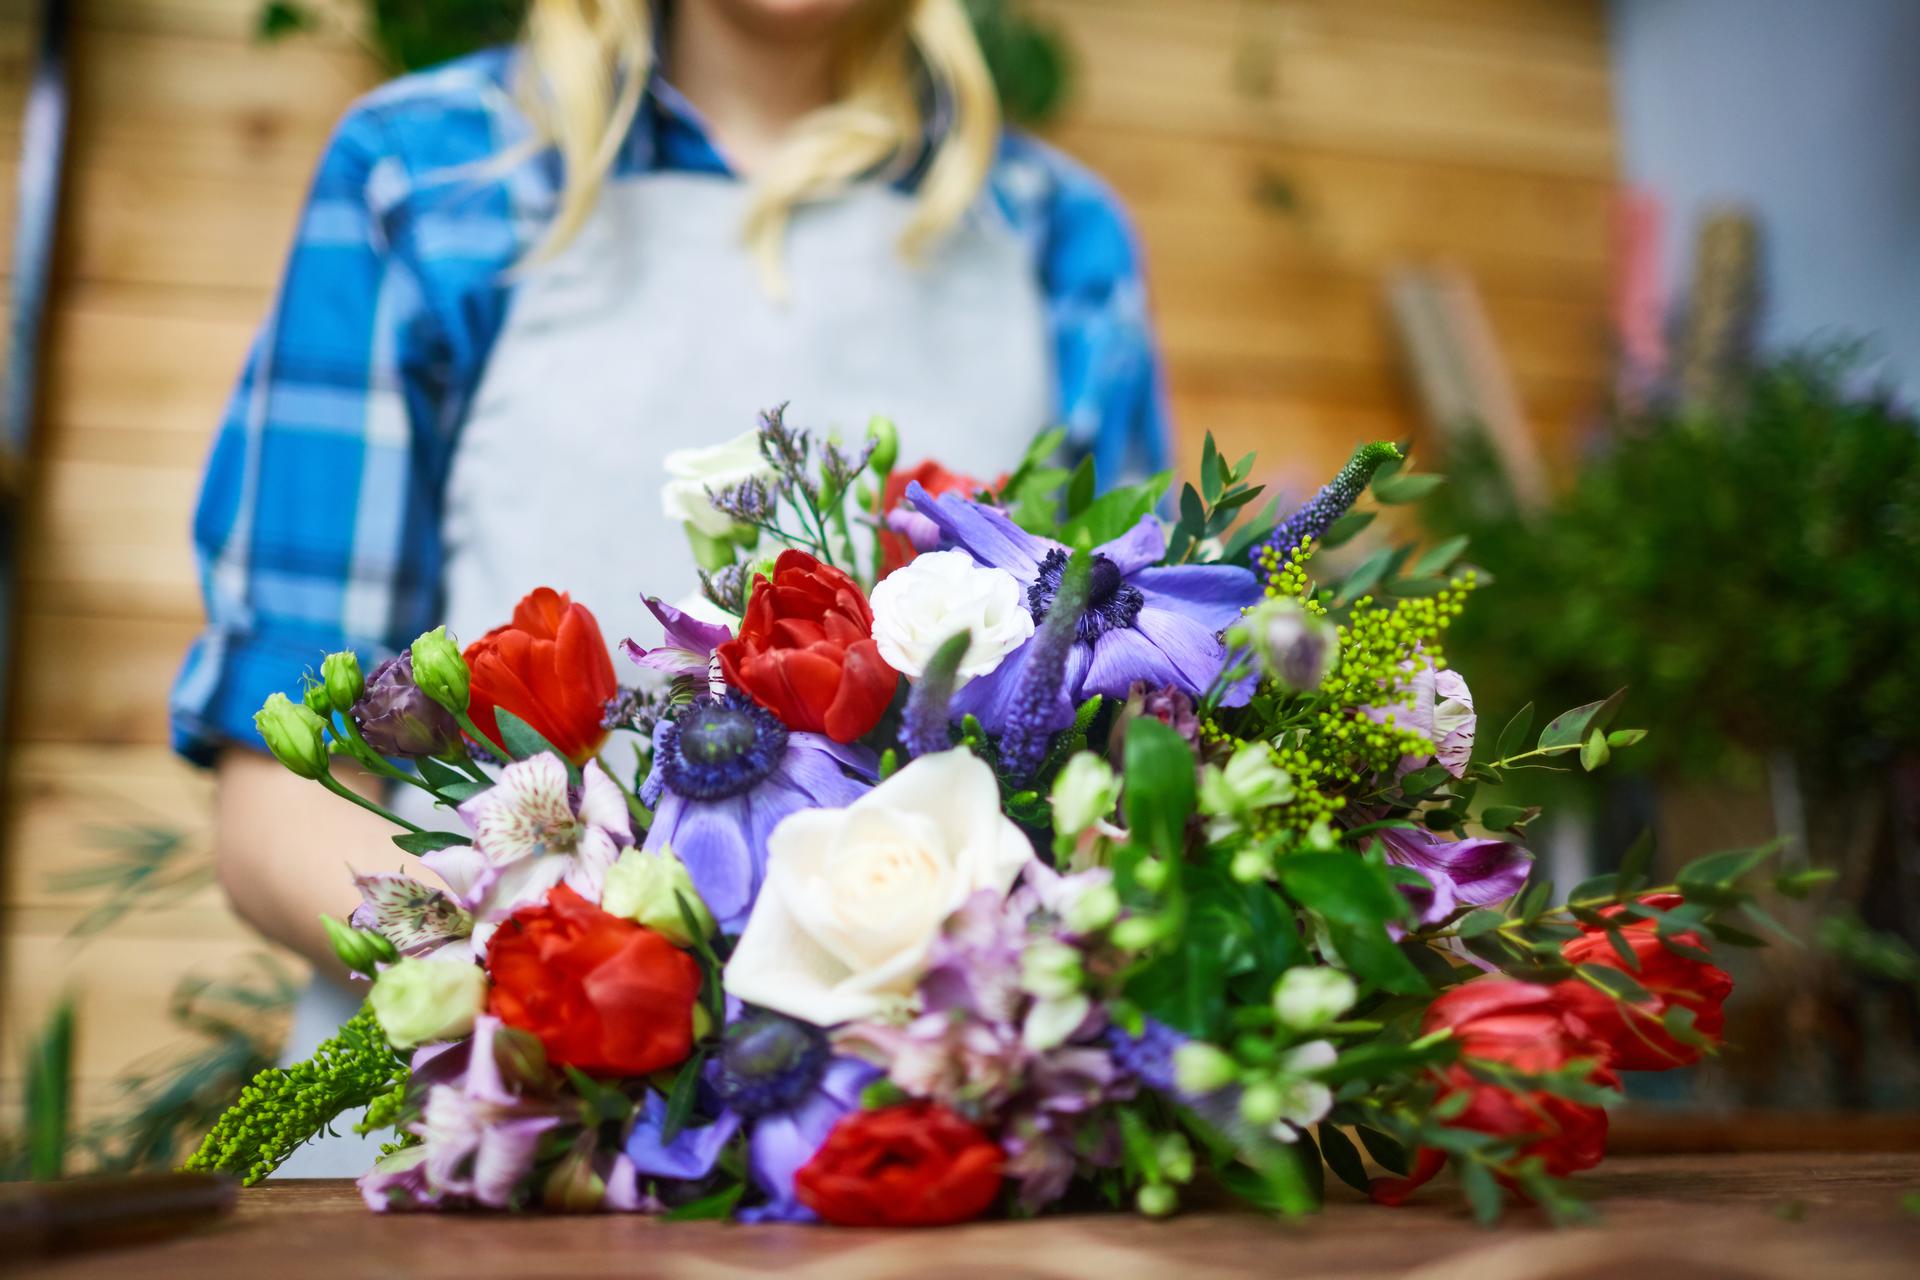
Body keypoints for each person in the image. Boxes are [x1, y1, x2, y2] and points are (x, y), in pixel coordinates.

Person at [168, 0, 1169, 1173]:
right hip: (496, 1149)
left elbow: (1133, 741)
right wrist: (559, 1007)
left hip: (917, 1149)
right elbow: (279, 803)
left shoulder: (1053, 239)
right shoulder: (429, 174)